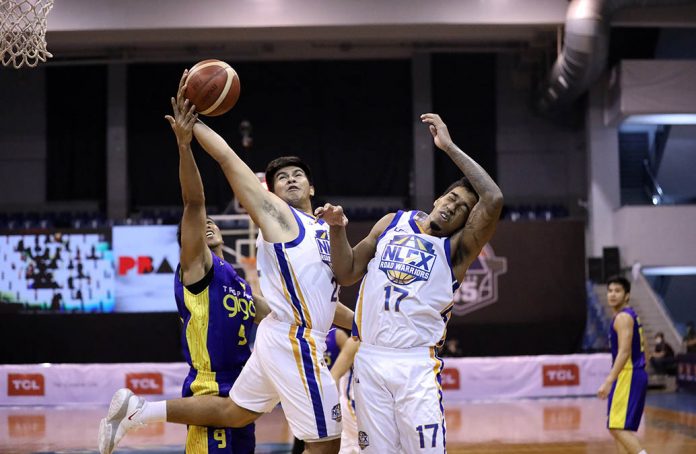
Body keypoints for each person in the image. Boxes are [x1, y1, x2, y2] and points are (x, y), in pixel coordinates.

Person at [98, 69, 353, 454]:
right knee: (327, 443)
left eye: (299, 174)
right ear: (270, 191)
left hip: (278, 335)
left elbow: (325, 300)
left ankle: (140, 411)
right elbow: (229, 161)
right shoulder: (279, 217)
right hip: (294, 339)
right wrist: (194, 123)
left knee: (237, 412)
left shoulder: (325, 230)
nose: (292, 179)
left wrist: (366, 322)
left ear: (313, 186)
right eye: (281, 177)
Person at [100, 73, 271, 454]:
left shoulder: (237, 282)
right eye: (198, 230)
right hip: (210, 390)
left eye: (212, 227)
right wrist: (184, 145)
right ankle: (138, 412)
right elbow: (195, 202)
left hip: (240, 391)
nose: (206, 227)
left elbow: (271, 315)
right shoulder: (197, 269)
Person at [318, 113, 503, 453]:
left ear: (465, 222)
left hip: (415, 365)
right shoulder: (393, 222)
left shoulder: (456, 250)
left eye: (462, 209)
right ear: (436, 199)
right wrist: (337, 228)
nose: (452, 207)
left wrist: (447, 146)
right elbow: (346, 273)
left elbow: (492, 199)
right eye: (450, 199)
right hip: (370, 359)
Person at [597, 276, 649, 454]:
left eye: (617, 291)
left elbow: (624, 351)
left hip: (628, 374)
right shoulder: (630, 315)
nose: (612, 294)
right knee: (618, 427)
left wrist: (609, 381)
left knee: (616, 428)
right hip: (633, 373)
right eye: (610, 290)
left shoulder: (623, 317)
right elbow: (645, 347)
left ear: (627, 295)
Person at [291, 328, 353, 454]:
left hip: (331, 392)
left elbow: (351, 358)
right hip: (308, 389)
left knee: (329, 441)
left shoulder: (337, 335)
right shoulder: (303, 333)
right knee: (302, 438)